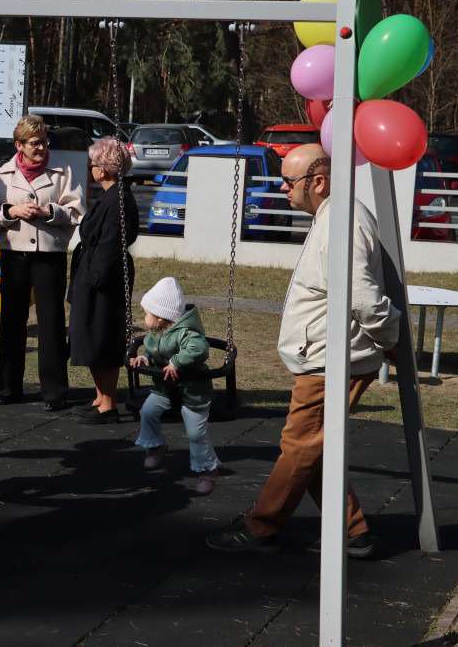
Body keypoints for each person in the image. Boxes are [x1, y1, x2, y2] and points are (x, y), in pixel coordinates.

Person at [206, 143, 401, 555]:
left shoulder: (341, 224)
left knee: (300, 445)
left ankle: (262, 527)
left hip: (331, 360)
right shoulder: (332, 216)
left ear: (318, 181)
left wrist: (392, 340)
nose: (281, 187)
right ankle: (355, 530)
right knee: (314, 446)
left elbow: (363, 298)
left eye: (289, 180)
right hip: (325, 354)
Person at [0, 115, 85, 412]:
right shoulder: (3, 174)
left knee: (51, 324)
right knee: (12, 322)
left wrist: (50, 212)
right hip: (13, 256)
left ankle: (55, 392)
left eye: (44, 141)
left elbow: (77, 212)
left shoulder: (63, 171)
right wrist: (11, 211)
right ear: (19, 146)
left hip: (50, 257)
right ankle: (8, 388)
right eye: (34, 143)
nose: (41, 148)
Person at [68, 137, 139, 424]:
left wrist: (94, 278)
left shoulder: (118, 199)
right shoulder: (110, 195)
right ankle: (100, 397)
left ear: (105, 169)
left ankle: (108, 405)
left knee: (102, 339)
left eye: (93, 164)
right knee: (90, 338)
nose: (91, 169)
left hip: (103, 280)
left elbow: (111, 244)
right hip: (94, 274)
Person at [129, 278, 221, 496]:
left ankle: (208, 470)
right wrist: (144, 358)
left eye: (146, 313)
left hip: (193, 390)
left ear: (160, 318)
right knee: (147, 412)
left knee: (195, 433)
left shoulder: (187, 332)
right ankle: (156, 446)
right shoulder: (156, 333)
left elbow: (200, 349)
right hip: (166, 388)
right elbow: (153, 352)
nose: (143, 318)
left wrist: (177, 362)